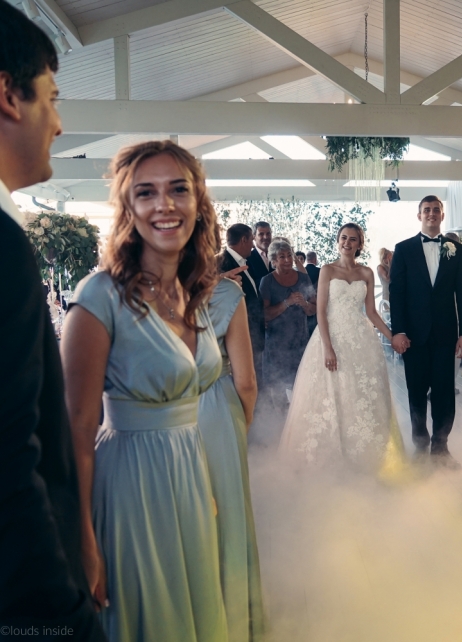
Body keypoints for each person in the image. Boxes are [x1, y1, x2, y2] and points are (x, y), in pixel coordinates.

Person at [62, 141, 228, 642]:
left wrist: (204, 487)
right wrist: (83, 540)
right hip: (128, 487)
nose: (165, 205)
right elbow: (76, 430)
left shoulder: (193, 293)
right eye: (146, 193)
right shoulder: (100, 295)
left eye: (178, 189)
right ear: (128, 209)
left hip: (190, 483)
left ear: (198, 201)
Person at [0, 3, 105, 639]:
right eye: (52, 98)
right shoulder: (2, 245)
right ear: (8, 95)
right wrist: (61, 617)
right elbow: (12, 456)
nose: (60, 124)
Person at [281, 224, 405, 472]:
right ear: (338, 241)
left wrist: (392, 337)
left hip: (361, 339)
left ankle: (364, 457)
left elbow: (371, 312)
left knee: (361, 394)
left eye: (353, 239)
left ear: (360, 244)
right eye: (343, 238)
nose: (347, 242)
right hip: (331, 337)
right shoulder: (327, 270)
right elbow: (321, 311)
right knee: (331, 393)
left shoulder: (366, 272)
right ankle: (329, 457)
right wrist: (327, 348)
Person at [198, 277, 266, 642]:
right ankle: (236, 621)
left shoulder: (128, 291)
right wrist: (244, 419)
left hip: (162, 416)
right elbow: (246, 381)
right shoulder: (225, 293)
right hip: (217, 412)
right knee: (228, 518)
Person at [389, 195, 462, 467]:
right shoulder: (403, 249)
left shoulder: (456, 250)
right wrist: (398, 331)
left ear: (442, 215)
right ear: (419, 215)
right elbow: (396, 293)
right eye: (426, 210)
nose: (431, 213)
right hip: (413, 335)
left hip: (446, 334)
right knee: (415, 391)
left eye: (436, 209)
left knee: (444, 392)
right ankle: (420, 444)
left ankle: (441, 446)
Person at [260, 239, 316, 411]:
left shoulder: (304, 278)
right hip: (276, 347)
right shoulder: (267, 281)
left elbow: (313, 310)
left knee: (303, 391)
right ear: (273, 261)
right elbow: (264, 315)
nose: (287, 260)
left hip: (300, 344)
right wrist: (287, 302)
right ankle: (279, 424)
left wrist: (304, 304)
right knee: (277, 394)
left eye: (289, 256)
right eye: (281, 257)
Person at [220, 223, 265, 388]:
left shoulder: (246, 263)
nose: (253, 245)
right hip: (238, 338)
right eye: (252, 240)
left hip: (254, 335)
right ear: (244, 240)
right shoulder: (222, 263)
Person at [305, 251, 320, 336]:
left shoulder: (300, 271)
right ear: (315, 259)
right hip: (316, 303)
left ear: (307, 259)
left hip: (303, 303)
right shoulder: (320, 271)